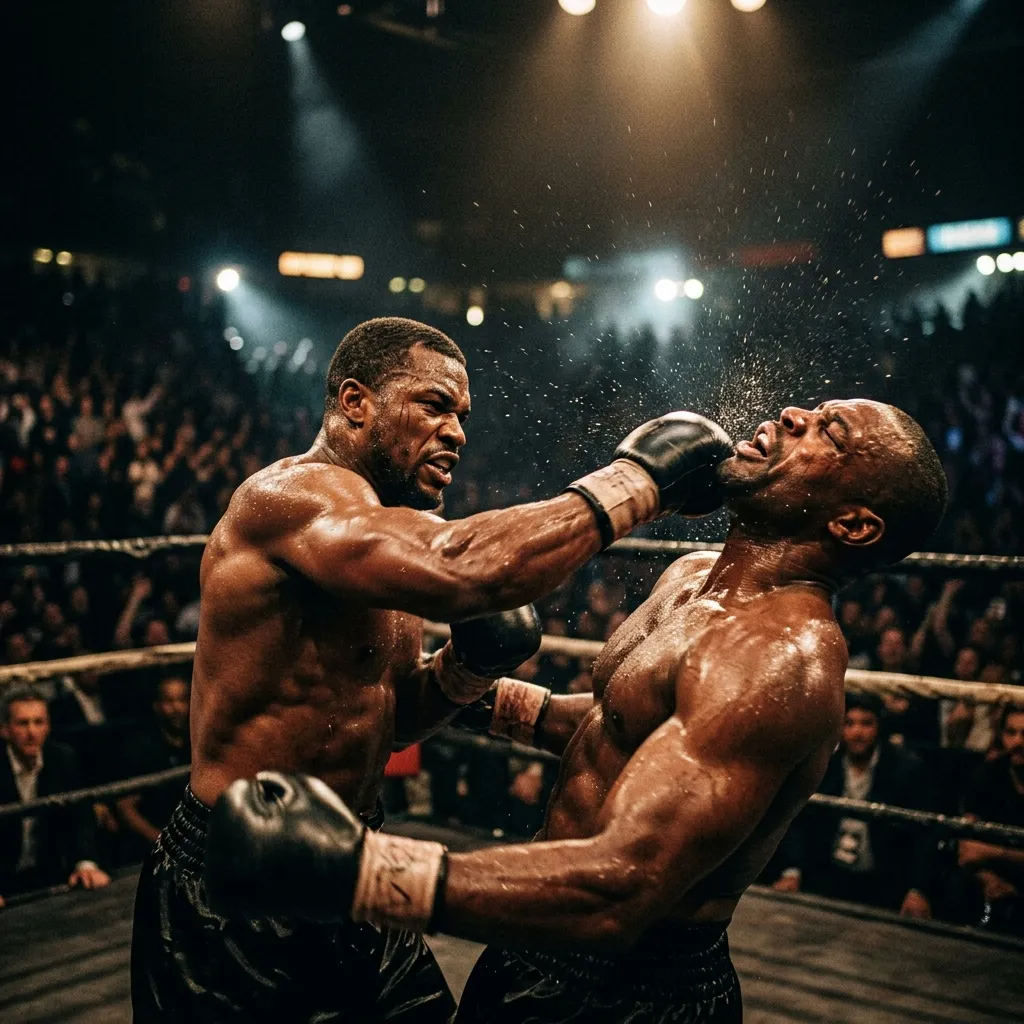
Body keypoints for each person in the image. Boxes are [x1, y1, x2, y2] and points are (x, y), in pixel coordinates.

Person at [204, 398, 948, 1023]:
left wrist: (362, 873)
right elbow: (609, 725)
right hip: (534, 939)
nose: (792, 415)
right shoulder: (692, 578)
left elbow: (624, 882)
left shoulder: (779, 657)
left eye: (829, 432)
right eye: (811, 410)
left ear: (853, 527)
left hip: (629, 986)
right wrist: (469, 685)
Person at [130, 315, 733, 1022]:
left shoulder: (389, 529)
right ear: (356, 401)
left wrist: (464, 673)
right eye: (434, 405)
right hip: (238, 893)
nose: (457, 433)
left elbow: (385, 716)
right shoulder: (293, 499)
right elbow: (465, 570)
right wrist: (637, 481)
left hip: (345, 857)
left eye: (463, 415)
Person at [771, 692, 938, 918]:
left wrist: (919, 889)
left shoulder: (907, 769)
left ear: (879, 727)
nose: (857, 732)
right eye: (849, 723)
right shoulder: (824, 764)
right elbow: (799, 820)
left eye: (866, 723)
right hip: (826, 876)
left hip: (884, 882)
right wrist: (792, 871)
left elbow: (924, 832)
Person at [0, 684, 110, 907]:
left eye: (38, 722)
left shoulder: (62, 758)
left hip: (47, 876)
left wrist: (85, 863)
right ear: (4, 729)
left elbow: (81, 817)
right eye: (23, 723)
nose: (32, 732)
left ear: (48, 726)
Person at [116, 675, 191, 863]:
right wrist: (164, 843)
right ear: (157, 705)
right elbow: (125, 808)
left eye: (182, 700)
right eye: (169, 701)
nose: (177, 708)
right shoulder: (140, 748)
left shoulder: (198, 741)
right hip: (155, 849)